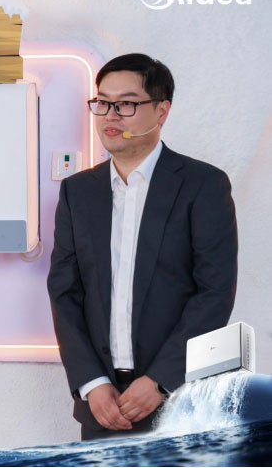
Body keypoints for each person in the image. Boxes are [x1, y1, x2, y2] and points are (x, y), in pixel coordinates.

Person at [47, 53, 237, 440]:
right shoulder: (77, 192)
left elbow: (214, 293)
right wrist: (91, 383)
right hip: (101, 404)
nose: (110, 116)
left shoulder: (202, 185)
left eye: (127, 104)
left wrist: (160, 380)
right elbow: (65, 292)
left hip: (180, 400)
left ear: (161, 110)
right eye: (102, 103)